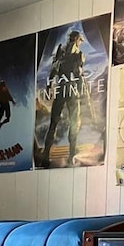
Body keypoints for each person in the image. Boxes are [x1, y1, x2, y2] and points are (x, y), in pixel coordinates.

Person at [41, 29, 85, 167]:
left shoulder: (67, 52)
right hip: (69, 92)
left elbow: (54, 70)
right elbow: (77, 74)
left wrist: (49, 85)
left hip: (66, 91)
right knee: (70, 123)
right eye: (78, 40)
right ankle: (67, 154)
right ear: (77, 40)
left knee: (62, 123)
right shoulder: (71, 53)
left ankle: (66, 153)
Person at [0, 77, 16, 144]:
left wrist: (12, 101)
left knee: (8, 118)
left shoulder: (6, 91)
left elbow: (9, 96)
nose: (4, 88)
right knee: (0, 116)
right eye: (3, 87)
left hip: (6, 104)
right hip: (3, 104)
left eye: (5, 87)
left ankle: (1, 124)